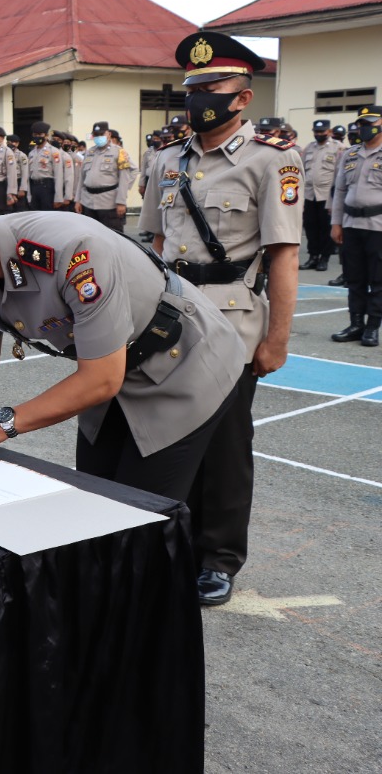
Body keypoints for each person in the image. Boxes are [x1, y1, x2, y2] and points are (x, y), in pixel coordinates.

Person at [0, 177, 244, 516]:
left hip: (182, 361)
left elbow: (100, 379)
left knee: (144, 509)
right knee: (97, 497)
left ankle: (206, 570)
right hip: (115, 364)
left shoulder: (75, 253)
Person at [138, 30, 303, 605]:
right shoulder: (166, 158)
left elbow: (283, 258)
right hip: (168, 317)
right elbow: (152, 244)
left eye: (214, 87)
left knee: (225, 447)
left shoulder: (272, 159)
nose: (200, 97)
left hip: (233, 320)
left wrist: (277, 340)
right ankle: (169, 539)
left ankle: (219, 557)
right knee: (162, 435)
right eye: (193, 87)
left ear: (242, 98)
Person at [329, 108, 382, 346]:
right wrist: (336, 223)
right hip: (351, 225)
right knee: (355, 279)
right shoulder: (350, 154)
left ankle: (372, 328)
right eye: (361, 123)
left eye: (370, 122)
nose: (364, 127)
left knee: (378, 280)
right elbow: (340, 191)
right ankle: (356, 324)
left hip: (378, 226)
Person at [301, 119, 345, 271]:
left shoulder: (338, 148)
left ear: (329, 131)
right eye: (316, 132)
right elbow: (302, 170)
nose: (319, 134)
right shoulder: (309, 148)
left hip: (326, 195)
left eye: (322, 132)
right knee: (310, 227)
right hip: (309, 194)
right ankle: (313, 257)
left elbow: (340, 174)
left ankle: (324, 259)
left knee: (325, 228)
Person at [78, 121, 135, 232]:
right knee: (91, 235)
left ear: (108, 134)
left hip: (109, 203)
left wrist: (121, 202)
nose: (99, 137)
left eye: (101, 134)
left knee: (113, 236)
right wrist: (78, 200)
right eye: (96, 135)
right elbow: (82, 178)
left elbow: (124, 178)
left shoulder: (119, 152)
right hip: (88, 202)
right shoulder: (89, 152)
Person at [26, 121, 65, 211]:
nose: (37, 137)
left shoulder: (54, 151)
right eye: (35, 134)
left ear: (46, 136)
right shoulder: (31, 153)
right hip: (34, 187)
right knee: (35, 215)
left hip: (47, 188)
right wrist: (29, 195)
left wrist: (58, 197)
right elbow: (28, 176)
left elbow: (58, 175)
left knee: (47, 215)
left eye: (40, 134)